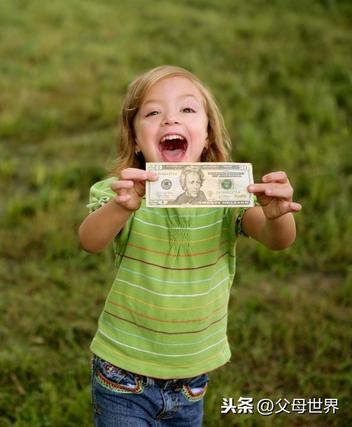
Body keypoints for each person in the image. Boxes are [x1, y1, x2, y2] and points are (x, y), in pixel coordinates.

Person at [78, 65, 301, 426]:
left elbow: (277, 241)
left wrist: (277, 215)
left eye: (187, 110)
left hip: (192, 378)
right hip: (123, 373)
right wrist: (122, 205)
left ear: (208, 134)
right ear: (135, 139)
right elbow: (89, 241)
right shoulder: (121, 192)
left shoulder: (229, 197)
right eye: (153, 113)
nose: (170, 120)